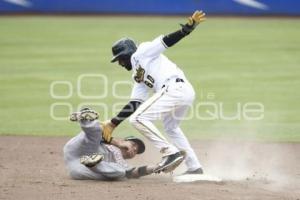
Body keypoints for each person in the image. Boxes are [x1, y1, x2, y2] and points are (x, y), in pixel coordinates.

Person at [101, 10, 206, 174]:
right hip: (182, 91)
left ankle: (170, 152)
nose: (120, 63)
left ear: (128, 52)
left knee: (138, 119)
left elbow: (165, 41)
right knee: (170, 127)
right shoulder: (138, 74)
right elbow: (135, 103)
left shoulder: (141, 52)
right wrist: (112, 123)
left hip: (174, 88)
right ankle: (195, 167)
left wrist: (186, 30)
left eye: (121, 58)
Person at [63, 108, 156, 180]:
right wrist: (119, 143)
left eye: (137, 151)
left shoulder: (123, 164)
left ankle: (93, 164)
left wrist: (157, 167)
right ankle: (84, 118)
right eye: (133, 144)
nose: (135, 149)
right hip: (79, 148)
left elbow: (135, 173)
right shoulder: (110, 142)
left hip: (79, 167)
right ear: (125, 141)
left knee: (121, 173)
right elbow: (102, 135)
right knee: (98, 131)